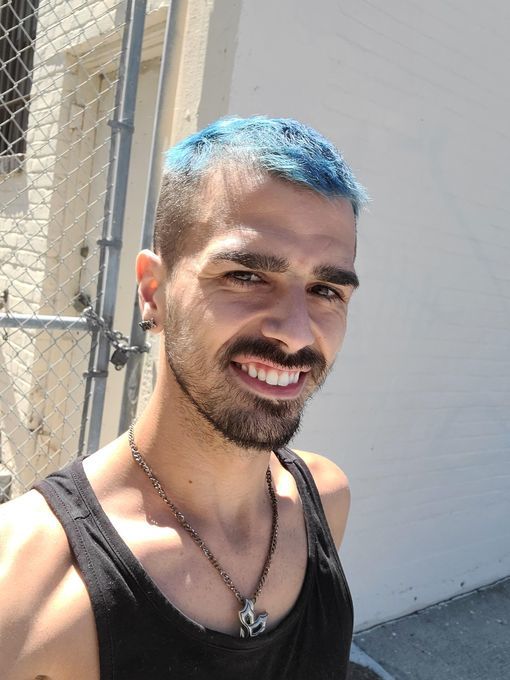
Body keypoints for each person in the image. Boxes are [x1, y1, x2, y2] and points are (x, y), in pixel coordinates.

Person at [0, 116, 367, 679]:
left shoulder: (325, 499)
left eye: (325, 289)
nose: (296, 333)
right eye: (246, 275)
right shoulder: (29, 586)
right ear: (154, 291)